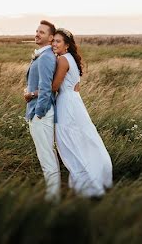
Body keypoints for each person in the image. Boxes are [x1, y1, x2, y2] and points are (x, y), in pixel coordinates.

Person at [50, 28, 113, 197]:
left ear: (67, 45)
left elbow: (54, 87)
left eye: (58, 41)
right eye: (53, 40)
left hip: (66, 103)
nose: (54, 44)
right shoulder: (70, 58)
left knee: (68, 140)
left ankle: (86, 181)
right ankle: (95, 172)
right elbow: (75, 85)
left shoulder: (63, 60)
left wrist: (33, 92)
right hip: (75, 100)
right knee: (82, 137)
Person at [23, 20, 60, 200]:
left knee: (46, 158)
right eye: (37, 31)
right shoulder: (42, 55)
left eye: (42, 32)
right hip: (39, 111)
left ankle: (53, 199)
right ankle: (54, 195)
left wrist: (39, 113)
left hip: (41, 114)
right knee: (48, 155)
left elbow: (46, 88)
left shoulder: (45, 57)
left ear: (51, 37)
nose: (37, 34)